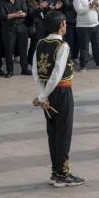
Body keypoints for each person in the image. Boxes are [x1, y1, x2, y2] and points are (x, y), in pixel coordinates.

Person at [33, 11, 84, 187]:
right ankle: (62, 174)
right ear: (62, 25)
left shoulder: (40, 43)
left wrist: (42, 94)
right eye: (65, 23)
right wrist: (43, 95)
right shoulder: (62, 45)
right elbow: (57, 73)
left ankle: (56, 171)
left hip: (47, 92)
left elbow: (36, 71)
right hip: (61, 92)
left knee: (53, 132)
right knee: (63, 133)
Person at [0, 0, 31, 77]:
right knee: (9, 50)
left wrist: (22, 14)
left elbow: (25, 12)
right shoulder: (1, 2)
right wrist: (16, 14)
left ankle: (25, 69)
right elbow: (3, 16)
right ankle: (10, 71)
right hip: (8, 28)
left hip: (21, 26)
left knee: (23, 49)